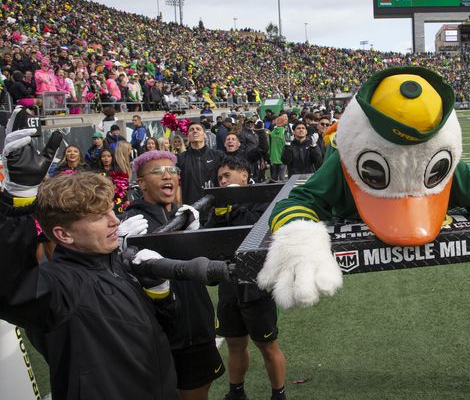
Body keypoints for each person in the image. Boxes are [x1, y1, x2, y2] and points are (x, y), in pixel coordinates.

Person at [0, 120, 178, 399]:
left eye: (110, 210)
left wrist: (160, 294)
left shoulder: (114, 263)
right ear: (63, 234)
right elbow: (10, 288)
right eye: (98, 216)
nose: (114, 221)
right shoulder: (61, 285)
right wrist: (19, 200)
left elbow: (158, 334)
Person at [124, 150, 224, 400]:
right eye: (158, 171)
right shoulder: (134, 223)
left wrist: (196, 237)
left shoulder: (183, 214)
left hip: (197, 324)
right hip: (166, 332)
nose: (167, 175)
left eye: (172, 171)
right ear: (141, 182)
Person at [206, 156, 287, 400]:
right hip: (229, 284)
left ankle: (278, 394)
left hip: (256, 284)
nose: (222, 181)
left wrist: (233, 210)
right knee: (234, 344)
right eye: (219, 178)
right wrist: (218, 215)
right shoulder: (219, 207)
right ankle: (236, 392)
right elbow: (210, 242)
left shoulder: (262, 199)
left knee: (267, 345)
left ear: (244, 175)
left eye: (227, 175)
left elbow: (259, 230)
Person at [176, 121, 225, 205]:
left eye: (198, 129)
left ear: (205, 135)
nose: (195, 131)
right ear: (188, 136)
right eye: (191, 130)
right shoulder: (180, 158)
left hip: (214, 207)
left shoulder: (218, 155)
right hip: (190, 208)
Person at [268, 113, 287, 181]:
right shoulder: (285, 132)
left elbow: (269, 145)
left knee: (274, 176)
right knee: (282, 177)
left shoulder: (272, 132)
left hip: (274, 158)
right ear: (284, 122)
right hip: (283, 158)